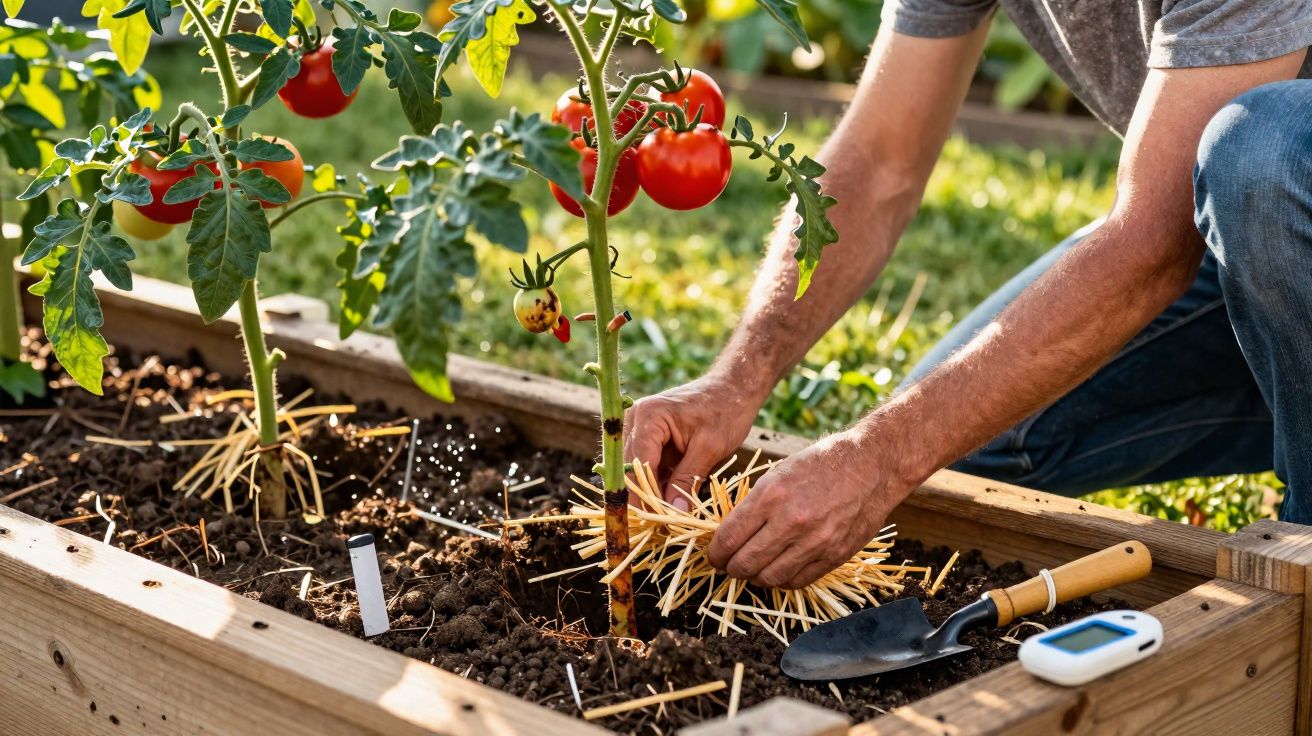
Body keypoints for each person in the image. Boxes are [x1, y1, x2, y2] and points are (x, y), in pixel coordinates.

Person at [624, 0, 1312, 590]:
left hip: (1278, 192)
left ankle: (1302, 566)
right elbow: (879, 161)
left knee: (1260, 151)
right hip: (1256, 246)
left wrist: (878, 454)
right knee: (955, 454)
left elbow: (1152, 243)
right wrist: (734, 380)